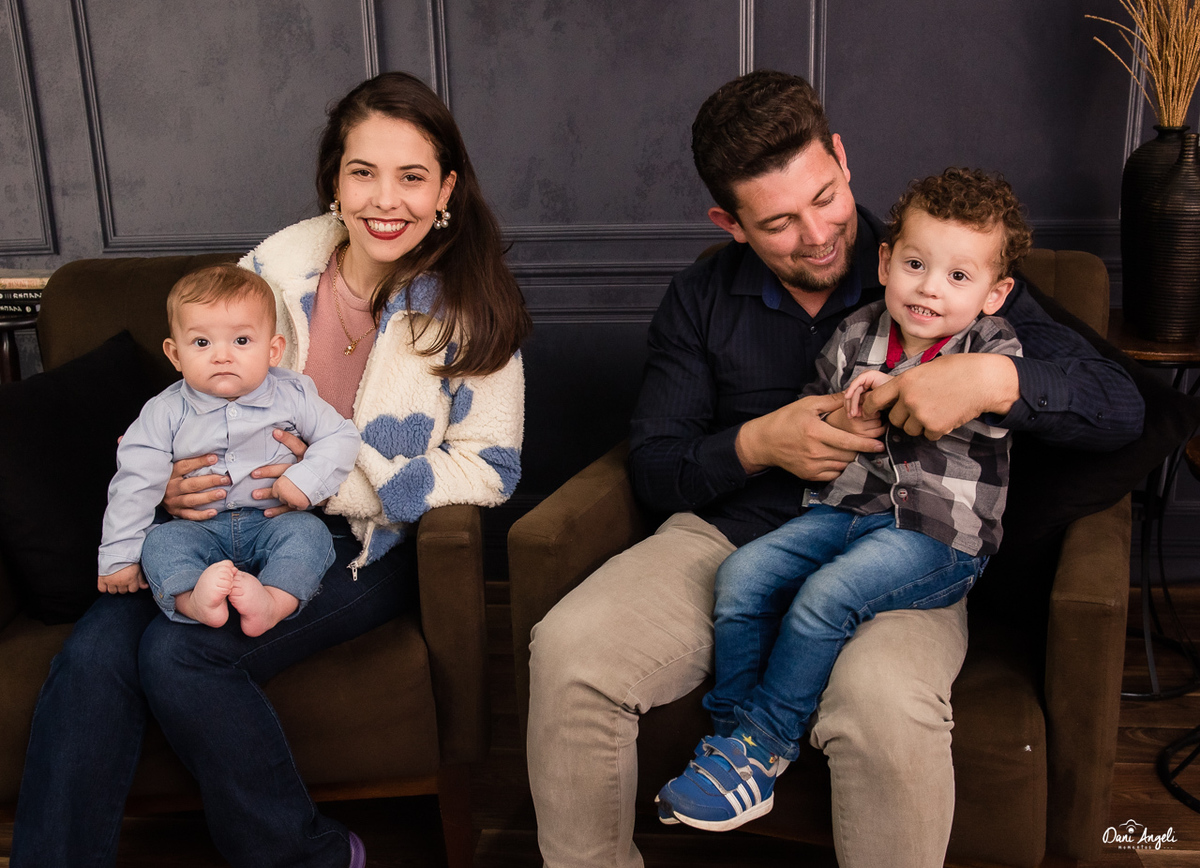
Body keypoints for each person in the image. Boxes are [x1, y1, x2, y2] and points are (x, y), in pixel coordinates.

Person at [525, 70, 1143, 868]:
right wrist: (757, 444)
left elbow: (1120, 407)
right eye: (779, 222)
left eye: (825, 197)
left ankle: (762, 747)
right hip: (733, 536)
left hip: (904, 537)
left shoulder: (942, 258)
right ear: (730, 223)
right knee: (571, 651)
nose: (817, 234)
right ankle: (730, 763)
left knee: (883, 704)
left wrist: (995, 380)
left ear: (843, 159)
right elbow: (654, 467)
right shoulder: (699, 299)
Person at [13, 71, 531, 868]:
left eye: (411, 176)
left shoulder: (470, 308)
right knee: (92, 656)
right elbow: (196, 400)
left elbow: (490, 465)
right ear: (334, 182)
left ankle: (308, 859)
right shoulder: (276, 270)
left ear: (445, 189)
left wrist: (343, 483)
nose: (384, 199)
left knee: (179, 655)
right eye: (363, 172)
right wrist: (174, 482)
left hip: (362, 539)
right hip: (223, 519)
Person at [657, 167, 1028, 831]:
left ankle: (765, 745)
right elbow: (816, 412)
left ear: (994, 294)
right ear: (885, 263)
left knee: (826, 596)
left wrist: (904, 389)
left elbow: (975, 403)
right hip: (844, 510)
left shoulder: (992, 348)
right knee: (742, 575)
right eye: (915, 265)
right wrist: (836, 415)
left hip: (937, 536)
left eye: (958, 276)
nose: (930, 288)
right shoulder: (855, 334)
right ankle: (731, 742)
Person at [99, 265, 362, 636]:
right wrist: (119, 555)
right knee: (160, 543)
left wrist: (306, 479)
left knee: (309, 534)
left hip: (274, 522)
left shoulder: (294, 395)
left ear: (273, 350)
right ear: (175, 355)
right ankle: (194, 599)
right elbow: (134, 483)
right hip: (197, 529)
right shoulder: (163, 412)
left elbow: (341, 436)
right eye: (201, 343)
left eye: (241, 340)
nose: (221, 356)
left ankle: (272, 601)